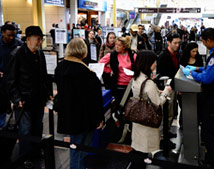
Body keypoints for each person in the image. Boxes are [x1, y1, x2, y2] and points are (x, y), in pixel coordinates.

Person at [184, 28, 214, 169]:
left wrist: (192, 74)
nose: (204, 45)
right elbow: (211, 71)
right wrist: (197, 69)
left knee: (212, 132)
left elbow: (208, 78)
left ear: (209, 40)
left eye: (204, 43)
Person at [54, 38, 104, 169]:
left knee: (74, 147)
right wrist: (99, 118)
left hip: (68, 115)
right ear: (83, 51)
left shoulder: (60, 67)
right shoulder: (86, 72)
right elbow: (95, 99)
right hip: (84, 117)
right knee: (82, 149)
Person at [6, 26, 52, 168]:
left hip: (38, 99)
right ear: (28, 38)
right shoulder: (17, 54)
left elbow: (44, 76)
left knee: (38, 127)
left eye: (41, 39)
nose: (40, 42)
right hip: (24, 101)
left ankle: (36, 152)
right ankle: (25, 157)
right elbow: (10, 80)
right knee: (25, 130)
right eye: (38, 39)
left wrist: (48, 93)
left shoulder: (40, 54)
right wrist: (16, 99)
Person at [129, 50, 171, 169]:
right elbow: (158, 103)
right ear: (148, 63)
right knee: (143, 151)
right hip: (147, 121)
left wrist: (158, 92)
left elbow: (144, 94)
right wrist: (166, 92)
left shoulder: (136, 77)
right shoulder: (148, 83)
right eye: (154, 62)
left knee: (138, 150)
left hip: (138, 118)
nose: (156, 64)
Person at [99, 36, 136, 106]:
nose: (116, 47)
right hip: (118, 85)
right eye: (116, 45)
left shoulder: (132, 55)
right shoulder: (111, 55)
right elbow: (100, 65)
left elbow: (137, 67)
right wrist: (110, 70)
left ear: (124, 47)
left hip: (131, 85)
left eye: (119, 45)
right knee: (119, 105)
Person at [157, 33, 181, 140]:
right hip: (167, 87)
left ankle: (167, 131)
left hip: (174, 86)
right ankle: (162, 136)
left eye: (178, 43)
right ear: (168, 42)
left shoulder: (176, 54)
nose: (177, 45)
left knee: (172, 112)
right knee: (166, 113)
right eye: (175, 43)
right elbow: (160, 74)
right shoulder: (163, 56)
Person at [0, 24, 23, 127]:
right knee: (1, 107)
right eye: (9, 35)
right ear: (3, 33)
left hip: (15, 81)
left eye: (13, 35)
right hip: (1, 81)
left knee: (17, 107)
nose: (11, 38)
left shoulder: (19, 45)